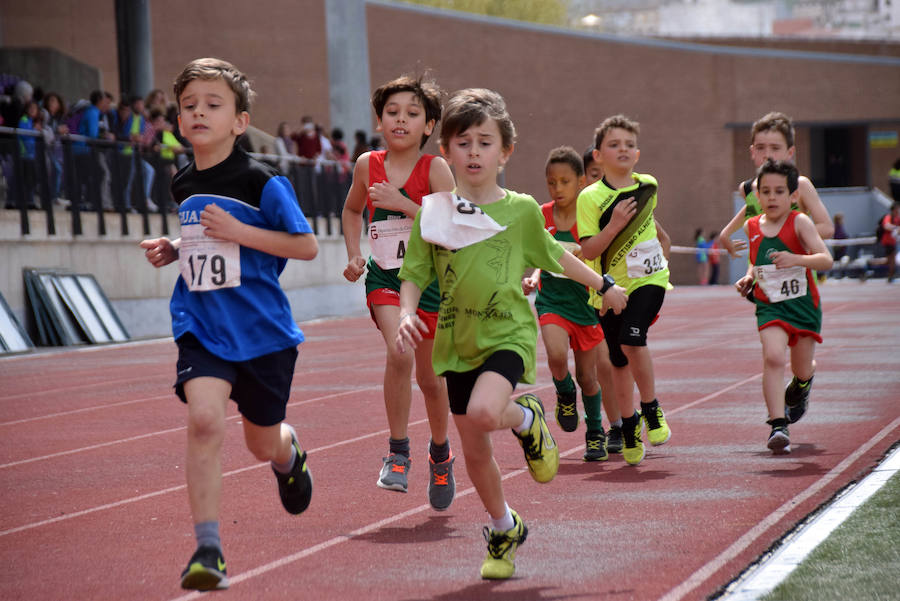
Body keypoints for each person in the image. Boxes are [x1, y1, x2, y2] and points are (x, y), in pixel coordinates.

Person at [397, 88, 627, 579]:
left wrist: (603, 283)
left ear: (505, 152)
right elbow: (414, 273)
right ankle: (504, 527)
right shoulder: (433, 213)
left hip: (507, 334)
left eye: (485, 143)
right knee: (475, 450)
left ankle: (525, 418)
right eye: (463, 143)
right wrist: (405, 314)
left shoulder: (521, 211)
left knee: (484, 413)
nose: (474, 152)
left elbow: (559, 257)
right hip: (457, 341)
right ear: (446, 152)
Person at [138, 58, 318, 591]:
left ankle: (288, 455)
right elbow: (203, 238)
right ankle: (208, 548)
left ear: (240, 121)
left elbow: (305, 246)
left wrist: (239, 231)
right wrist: (175, 248)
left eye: (212, 105)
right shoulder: (183, 181)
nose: (198, 113)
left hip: (262, 333)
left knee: (261, 444)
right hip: (202, 324)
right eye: (189, 106)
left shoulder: (263, 181)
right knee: (204, 422)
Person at [340, 74, 457, 510]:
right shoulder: (366, 164)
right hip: (386, 279)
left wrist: (404, 202)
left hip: (431, 286)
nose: (401, 120)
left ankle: (441, 454)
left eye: (412, 114)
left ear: (429, 126)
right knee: (399, 352)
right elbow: (353, 210)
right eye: (393, 113)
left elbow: (449, 230)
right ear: (379, 120)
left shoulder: (437, 170)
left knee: (431, 380)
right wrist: (355, 254)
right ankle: (398, 452)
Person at [576, 114, 672, 467]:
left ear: (638, 153)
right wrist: (615, 223)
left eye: (629, 145)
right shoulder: (590, 198)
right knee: (617, 361)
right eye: (614, 145)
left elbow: (650, 223)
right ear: (598, 156)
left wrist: (663, 242)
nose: (623, 150)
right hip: (610, 289)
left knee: (634, 339)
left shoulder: (649, 185)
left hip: (650, 279)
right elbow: (588, 251)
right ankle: (629, 425)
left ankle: (651, 408)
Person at [734, 159, 832, 454]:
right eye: (766, 192)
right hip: (770, 306)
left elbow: (825, 259)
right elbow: (756, 260)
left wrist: (797, 259)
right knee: (773, 357)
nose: (772, 197)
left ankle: (803, 382)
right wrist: (749, 277)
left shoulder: (799, 221)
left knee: (800, 367)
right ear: (757, 196)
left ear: (792, 196)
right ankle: (778, 424)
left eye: (779, 191)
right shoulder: (752, 225)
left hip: (802, 306)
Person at [521, 146, 610, 461]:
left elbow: (600, 255)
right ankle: (564, 393)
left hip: (585, 306)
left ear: (581, 182)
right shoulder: (542, 215)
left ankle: (596, 431)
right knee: (557, 356)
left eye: (564, 182)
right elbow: (541, 253)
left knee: (588, 376)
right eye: (551, 182)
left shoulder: (590, 218)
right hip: (552, 302)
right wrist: (533, 276)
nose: (557, 189)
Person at [719, 112, 833, 259]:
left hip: (798, 271)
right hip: (760, 272)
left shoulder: (800, 185)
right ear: (752, 152)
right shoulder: (747, 189)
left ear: (790, 152)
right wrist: (725, 234)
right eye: (760, 148)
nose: (767, 154)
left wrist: (785, 237)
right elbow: (753, 209)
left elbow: (827, 228)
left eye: (775, 148)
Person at [878, 202, 900, 282]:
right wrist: (895, 228)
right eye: (897, 209)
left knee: (890, 260)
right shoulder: (888, 217)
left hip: (894, 242)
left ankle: (890, 276)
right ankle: (890, 275)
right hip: (887, 241)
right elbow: (886, 226)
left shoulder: (897, 218)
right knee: (890, 260)